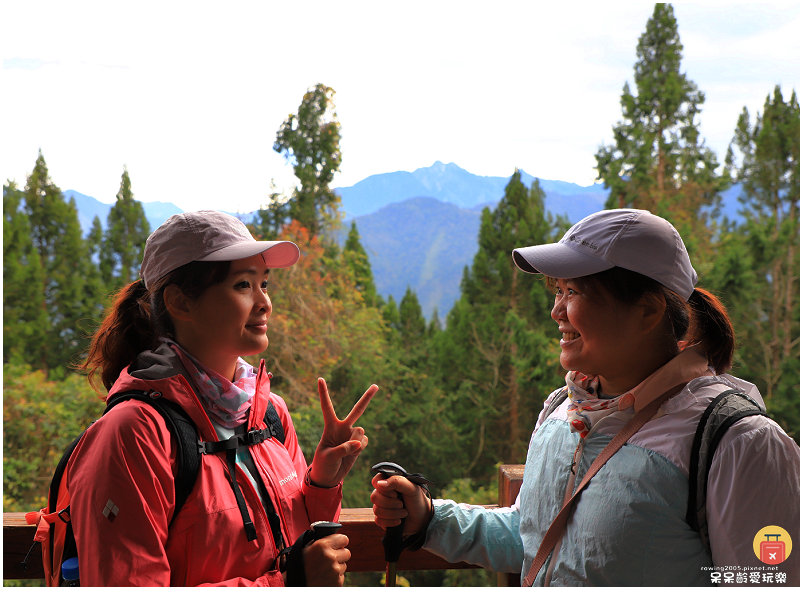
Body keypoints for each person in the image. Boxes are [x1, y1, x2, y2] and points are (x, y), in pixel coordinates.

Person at [371, 208, 800, 586]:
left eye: (573, 293)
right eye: (557, 290)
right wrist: (429, 518)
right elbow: (533, 537)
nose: (556, 311)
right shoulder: (562, 410)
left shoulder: (739, 443)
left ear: (648, 310)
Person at [73, 210, 377, 586]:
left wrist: (323, 483)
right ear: (181, 304)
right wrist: (287, 580)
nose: (264, 302)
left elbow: (292, 530)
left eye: (264, 283)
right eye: (243, 285)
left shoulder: (268, 414)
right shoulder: (133, 434)